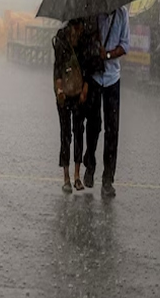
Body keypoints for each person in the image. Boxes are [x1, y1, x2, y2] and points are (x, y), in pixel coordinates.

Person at [83, 5, 130, 198]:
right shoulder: (94, 14)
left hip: (112, 78)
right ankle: (90, 163)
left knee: (112, 129)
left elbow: (125, 46)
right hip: (95, 76)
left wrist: (108, 54)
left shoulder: (123, 14)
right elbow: (86, 41)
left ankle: (108, 179)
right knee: (93, 125)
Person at [52, 19, 88, 193]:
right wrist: (59, 90)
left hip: (79, 93)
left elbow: (87, 67)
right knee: (65, 132)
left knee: (79, 131)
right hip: (64, 95)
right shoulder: (60, 41)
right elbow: (57, 68)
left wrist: (84, 90)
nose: (80, 30)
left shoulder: (84, 40)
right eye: (78, 27)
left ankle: (77, 175)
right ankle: (66, 176)